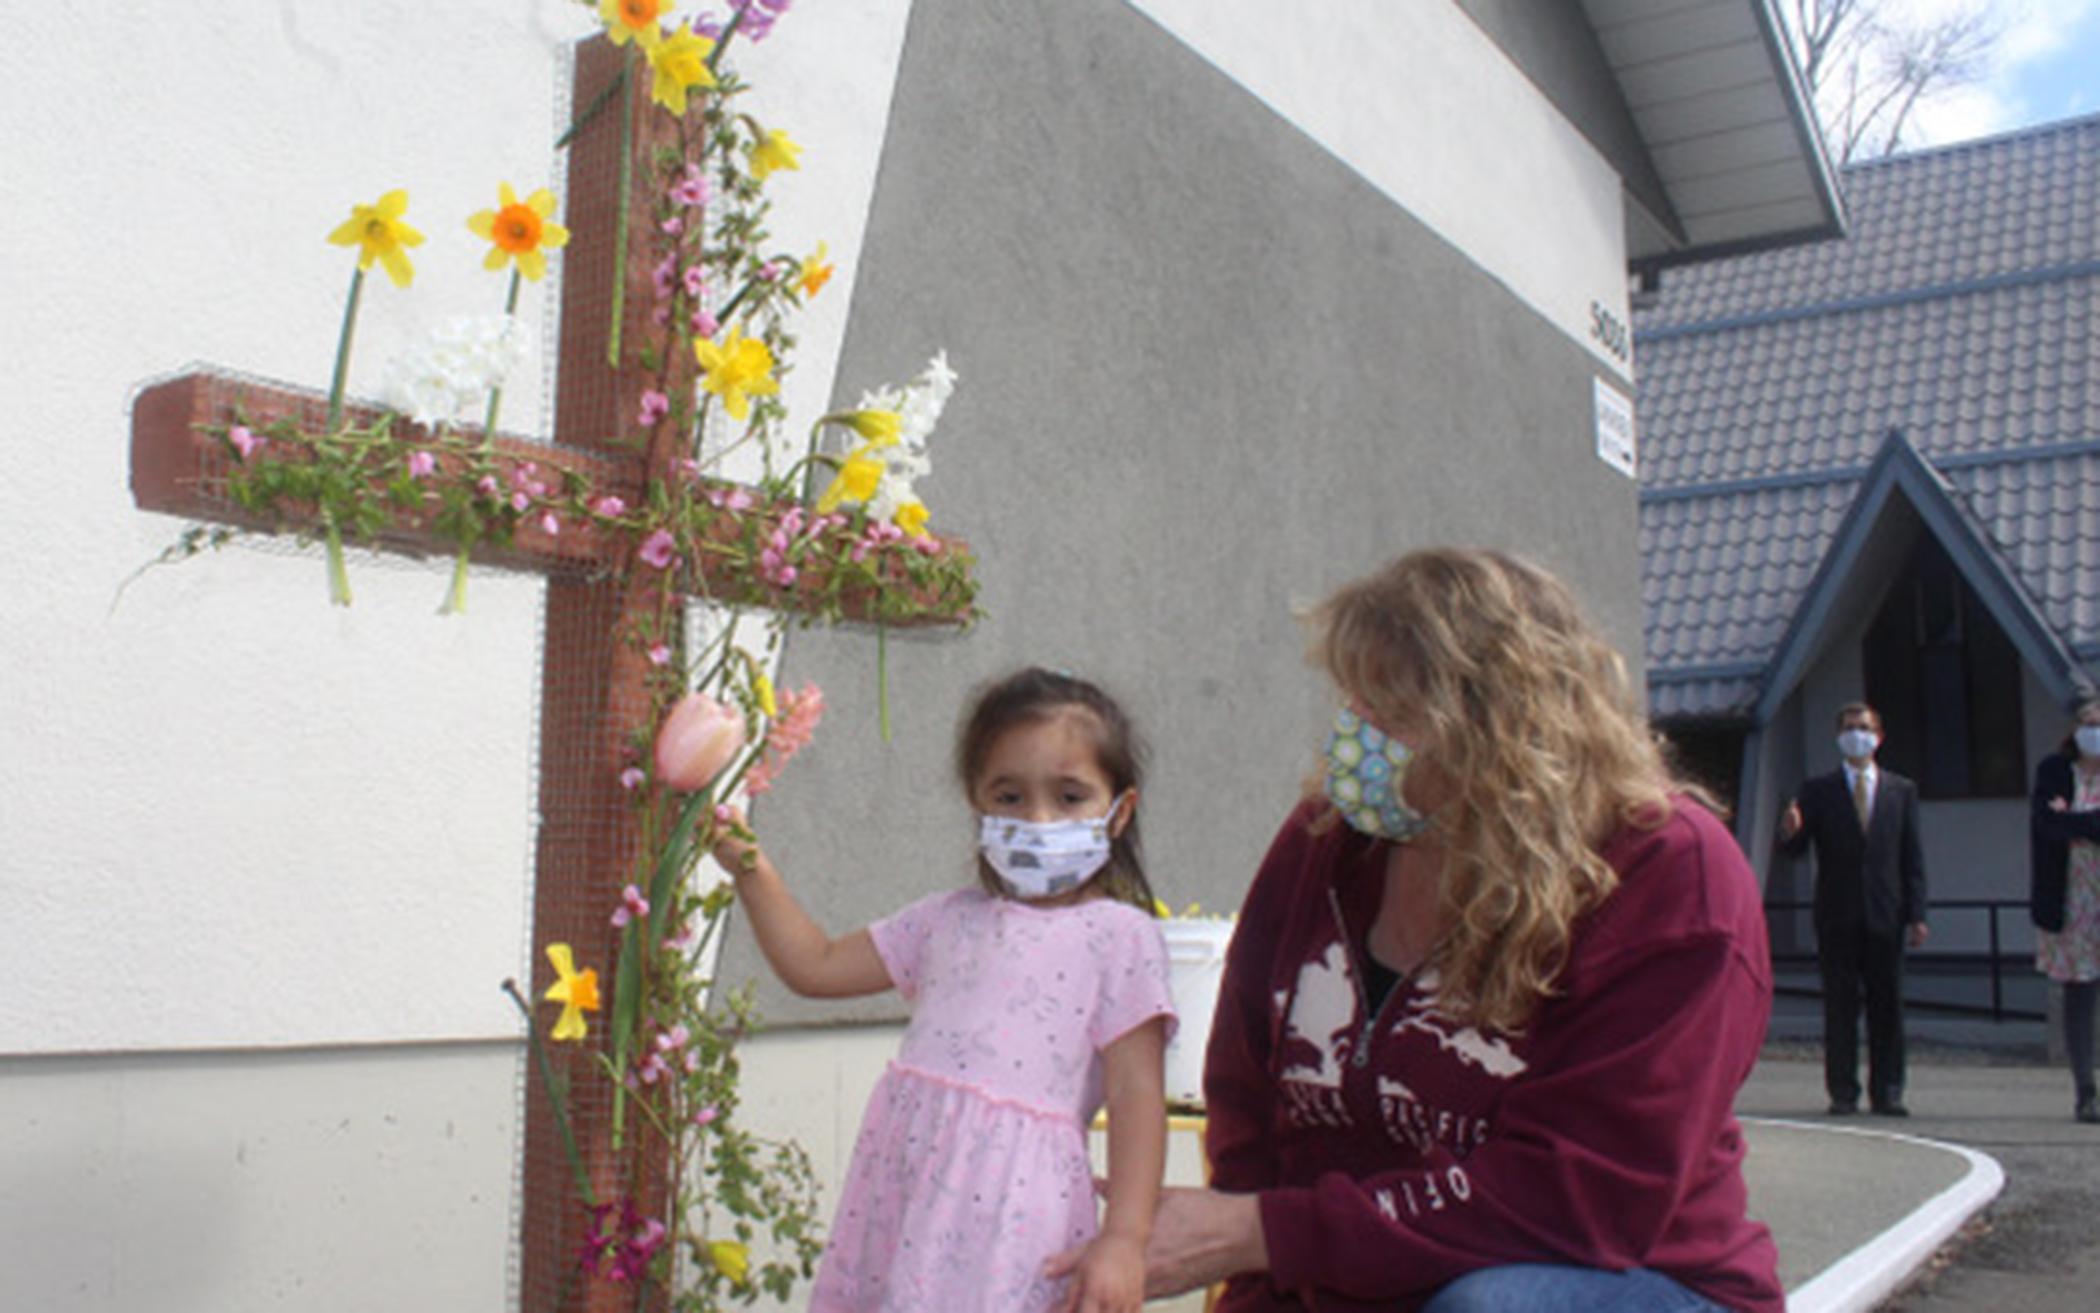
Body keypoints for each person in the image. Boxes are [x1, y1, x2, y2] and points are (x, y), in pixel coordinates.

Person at [1080, 548, 1781, 1312]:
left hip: (1632, 1281)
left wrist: (1268, 1233)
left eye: (1393, 711)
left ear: (1504, 730)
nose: (1355, 735)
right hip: (1368, 1281)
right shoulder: (1324, 842)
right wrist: (1256, 1271)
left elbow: (1579, 1195)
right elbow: (1250, 1116)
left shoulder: (1668, 874)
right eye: (1355, 699)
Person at [713, 667, 1176, 1313]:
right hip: (907, 1196)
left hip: (1016, 1218)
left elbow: (1136, 1093)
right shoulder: (944, 919)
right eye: (1009, 795)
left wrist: (1127, 1237)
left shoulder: (1120, 937)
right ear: (977, 801)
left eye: (1070, 796)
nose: (1038, 818)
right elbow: (813, 964)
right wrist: (752, 869)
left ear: (1118, 810)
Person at [1777, 703, 1928, 1117]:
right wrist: (1788, 831)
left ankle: (1889, 1090)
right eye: (1848, 728)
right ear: (1838, 736)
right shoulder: (1818, 790)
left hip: (1886, 912)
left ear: (1878, 736)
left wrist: (1917, 913)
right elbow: (1795, 850)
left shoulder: (1900, 790)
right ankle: (1843, 1091)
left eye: (1863, 728)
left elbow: (1911, 857)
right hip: (1836, 913)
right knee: (1840, 1007)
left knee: (1888, 1005)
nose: (1855, 734)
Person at [2030, 688, 2100, 1123]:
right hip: (2072, 902)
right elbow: (2047, 825)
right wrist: (2083, 824)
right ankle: (2086, 1090)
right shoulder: (2055, 771)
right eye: (2088, 725)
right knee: (2079, 997)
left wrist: (2075, 822)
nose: (2094, 733)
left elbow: (2071, 822)